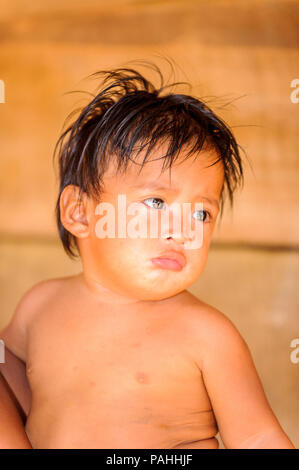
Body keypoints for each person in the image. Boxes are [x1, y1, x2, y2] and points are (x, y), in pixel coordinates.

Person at [0, 64, 295, 449]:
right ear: (79, 212)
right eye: (156, 201)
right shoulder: (40, 307)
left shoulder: (207, 334)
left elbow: (257, 438)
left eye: (201, 213)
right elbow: (13, 392)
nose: (184, 229)